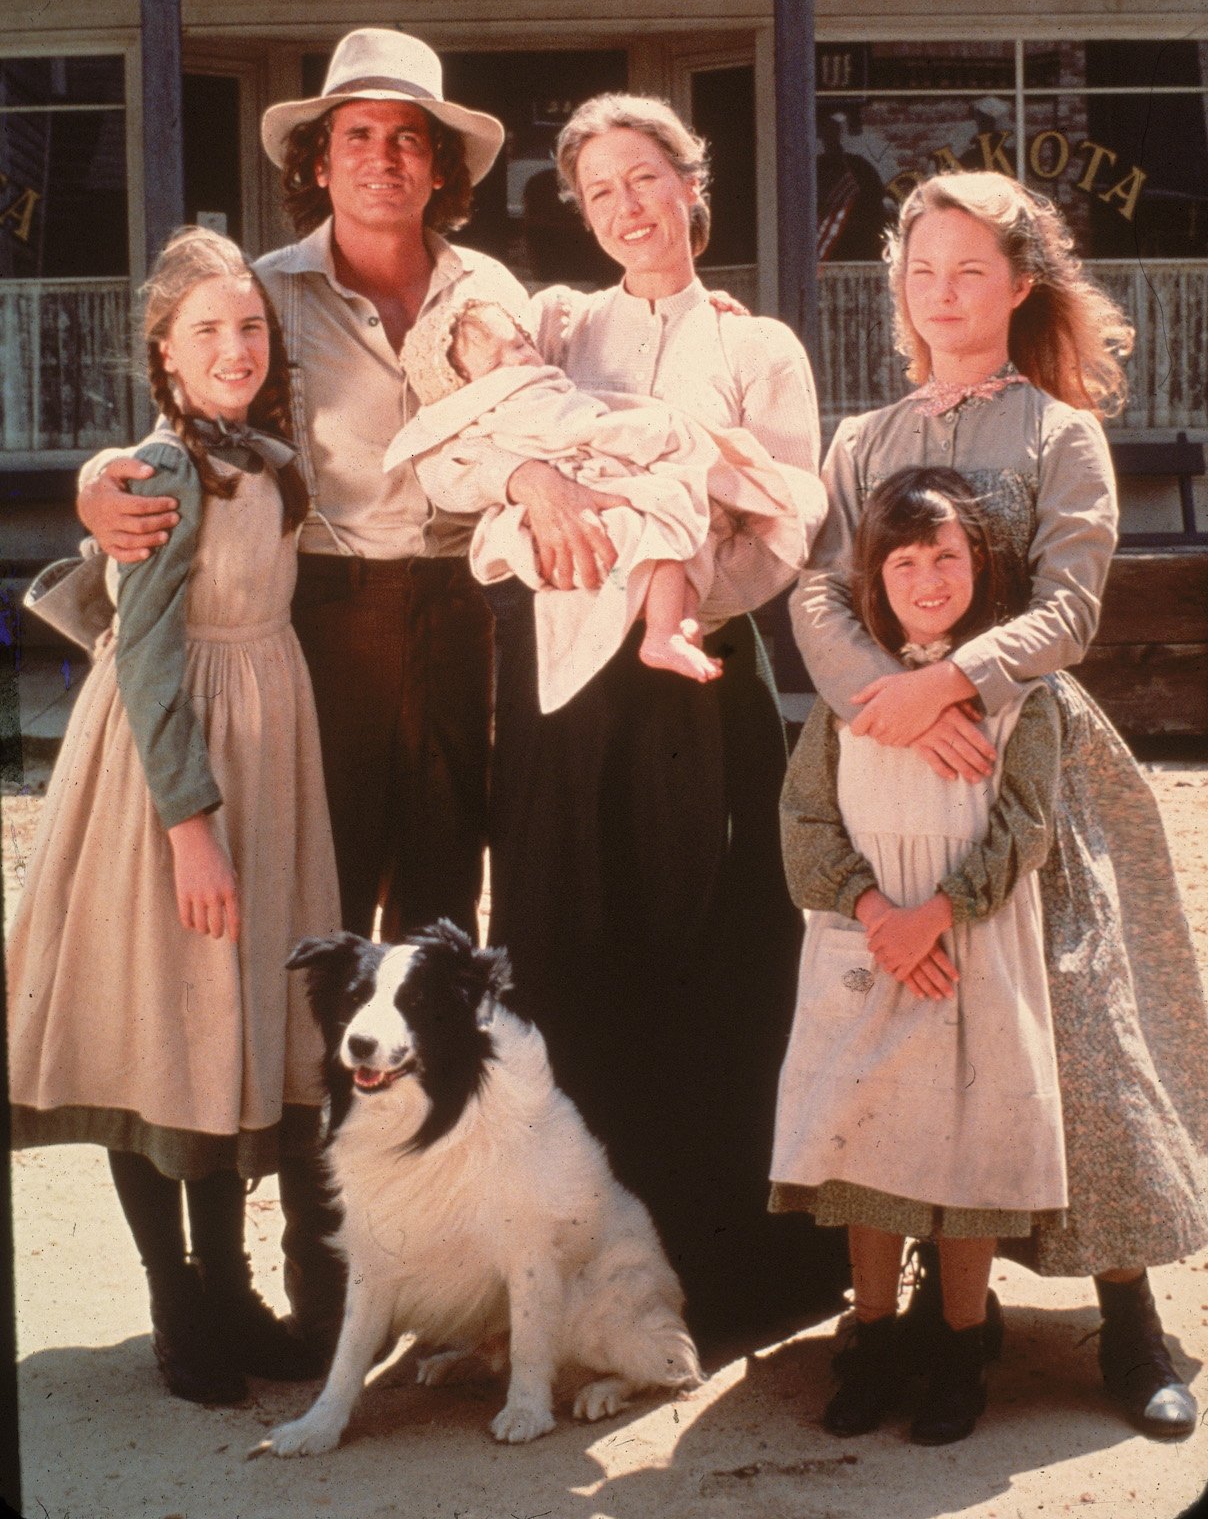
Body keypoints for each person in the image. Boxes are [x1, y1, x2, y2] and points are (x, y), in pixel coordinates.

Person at [75, 30, 528, 1351]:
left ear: (439, 165)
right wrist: (98, 481)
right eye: (357, 136)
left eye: (408, 138)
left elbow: (559, 421)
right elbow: (186, 444)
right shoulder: (262, 296)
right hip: (319, 619)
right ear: (317, 163)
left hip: (461, 612)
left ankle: (417, 1259)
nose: (383, 158)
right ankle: (319, 1279)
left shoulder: (492, 288)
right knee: (319, 946)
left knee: (433, 936)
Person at [791, 170, 1208, 1438]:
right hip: (887, 771)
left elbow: (1071, 603)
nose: (942, 291)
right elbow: (817, 589)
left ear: (1018, 284)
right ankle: (933, 1305)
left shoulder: (1056, 433)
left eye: (969, 268)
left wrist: (957, 682)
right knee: (911, 1028)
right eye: (921, 269)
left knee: (1076, 1023)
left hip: (1027, 769)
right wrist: (884, 700)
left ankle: (1127, 1315)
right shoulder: (861, 439)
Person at [432, 92, 848, 1350]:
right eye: (599, 189)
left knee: (715, 947)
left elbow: (787, 519)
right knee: (567, 947)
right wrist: (535, 481)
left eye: (643, 177)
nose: (625, 205)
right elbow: (463, 457)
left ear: (689, 180)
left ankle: (725, 1263)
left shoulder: (758, 343)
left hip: (695, 670)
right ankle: (572, 1273)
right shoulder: (555, 326)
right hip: (565, 680)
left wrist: (676, 584)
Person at [7, 228, 340, 1405]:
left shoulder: (264, 456)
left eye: (249, 326)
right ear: (164, 350)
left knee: (225, 1027)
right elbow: (145, 650)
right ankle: (176, 1300)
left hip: (262, 746)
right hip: (168, 765)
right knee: (162, 1025)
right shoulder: (160, 469)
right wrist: (190, 824)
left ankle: (230, 1285)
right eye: (206, 330)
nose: (234, 346)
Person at [773, 465, 1068, 1445]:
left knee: (966, 1138)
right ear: (874, 578)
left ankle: (958, 1344)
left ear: (979, 565)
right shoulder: (849, 692)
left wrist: (937, 912)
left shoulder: (1018, 694)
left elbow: (1023, 825)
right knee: (871, 1133)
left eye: (946, 557)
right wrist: (875, 912)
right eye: (903, 563)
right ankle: (874, 1335)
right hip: (868, 946)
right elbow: (806, 818)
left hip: (970, 943)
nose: (928, 579)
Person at [383, 295, 827, 708]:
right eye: (499, 362)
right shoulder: (560, 320)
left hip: (704, 632)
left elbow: (788, 510)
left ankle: (670, 625)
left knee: (667, 510)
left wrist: (689, 588)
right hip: (564, 608)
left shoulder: (749, 339)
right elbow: (442, 457)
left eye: (519, 347)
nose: (517, 361)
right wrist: (526, 478)